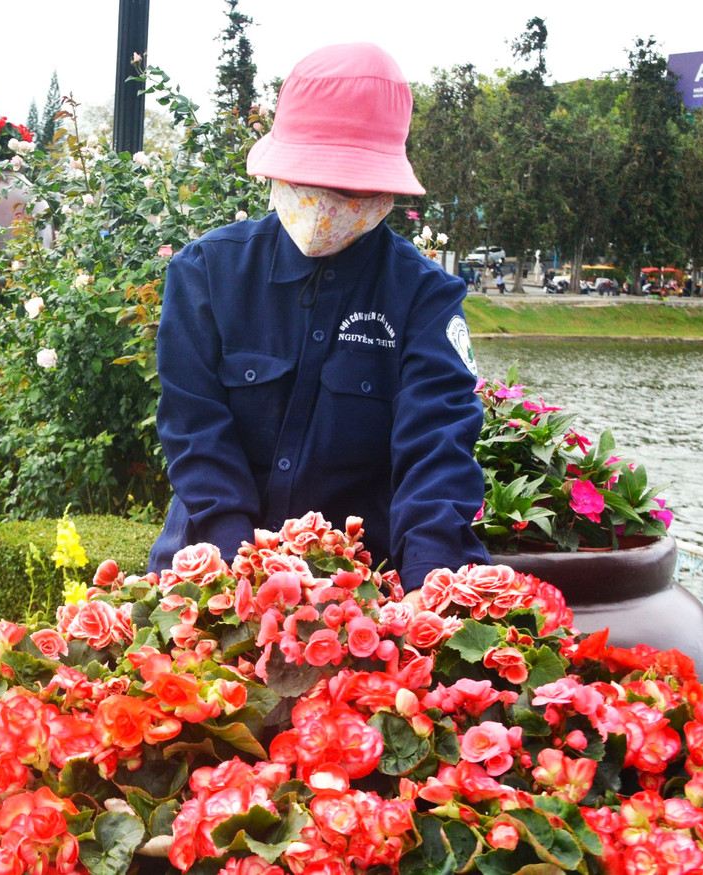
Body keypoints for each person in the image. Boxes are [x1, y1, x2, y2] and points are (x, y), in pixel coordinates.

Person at [149, 43, 491, 590]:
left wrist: (431, 588)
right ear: (281, 174)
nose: (328, 203)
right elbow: (195, 430)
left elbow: (437, 446)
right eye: (313, 181)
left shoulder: (423, 295)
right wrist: (239, 573)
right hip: (211, 567)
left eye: (349, 187)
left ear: (383, 190)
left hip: (358, 584)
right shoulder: (206, 273)